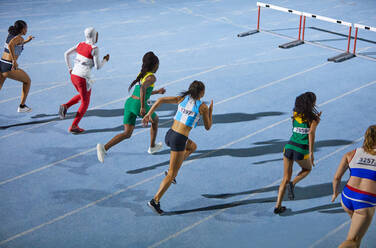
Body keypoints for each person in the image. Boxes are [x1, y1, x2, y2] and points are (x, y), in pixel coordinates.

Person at [142, 80, 213, 215]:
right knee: (172, 174)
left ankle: (172, 168)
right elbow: (208, 127)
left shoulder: (182, 98)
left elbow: (161, 100)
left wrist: (148, 114)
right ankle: (155, 201)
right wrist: (210, 111)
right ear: (201, 92)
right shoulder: (202, 106)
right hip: (179, 140)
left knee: (192, 146)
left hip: (170, 135)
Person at [96, 51, 165, 162]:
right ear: (154, 65)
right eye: (158, 64)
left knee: (127, 133)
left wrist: (157, 92)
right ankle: (152, 147)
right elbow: (142, 88)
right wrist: (143, 107)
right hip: (138, 104)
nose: (158, 67)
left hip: (129, 103)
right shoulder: (152, 77)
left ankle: (104, 148)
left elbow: (142, 91)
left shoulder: (142, 73)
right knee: (155, 120)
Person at [274, 92, 321, 214]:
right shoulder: (314, 119)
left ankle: (278, 205)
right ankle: (293, 184)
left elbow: (295, 128)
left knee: (285, 177)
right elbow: (311, 134)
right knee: (307, 169)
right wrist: (311, 153)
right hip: (301, 150)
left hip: (289, 147)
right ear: (311, 103)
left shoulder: (295, 114)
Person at [332, 125, 376, 248]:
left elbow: (336, 178)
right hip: (365, 201)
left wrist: (335, 193)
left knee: (357, 237)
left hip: (346, 198)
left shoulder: (351, 153)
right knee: (353, 240)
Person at [59, 27, 109, 134]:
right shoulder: (94, 48)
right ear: (94, 35)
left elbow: (66, 54)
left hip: (73, 76)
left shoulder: (80, 44)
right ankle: (74, 126)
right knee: (85, 102)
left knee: (84, 95)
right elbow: (98, 67)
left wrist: (69, 68)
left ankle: (65, 106)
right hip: (83, 78)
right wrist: (105, 60)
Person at [0, 20, 34, 112]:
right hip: (8, 66)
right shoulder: (19, 38)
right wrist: (14, 61)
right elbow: (11, 45)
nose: (27, 30)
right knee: (27, 81)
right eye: (26, 28)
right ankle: (22, 107)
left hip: (1, 63)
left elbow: (14, 43)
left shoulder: (11, 35)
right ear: (22, 29)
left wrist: (27, 40)